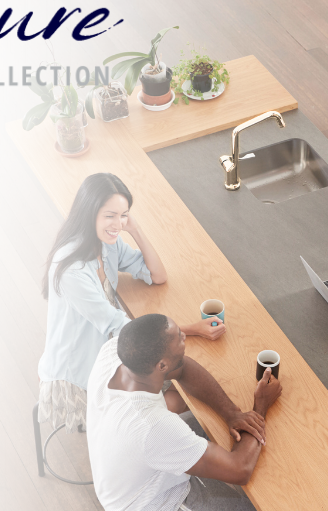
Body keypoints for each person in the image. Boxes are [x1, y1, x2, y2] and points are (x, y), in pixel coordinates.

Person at [88, 314, 283, 511]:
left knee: (208, 426)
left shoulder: (115, 352)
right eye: (178, 337)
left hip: (137, 473)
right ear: (161, 366)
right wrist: (260, 407)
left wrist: (233, 414)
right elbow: (239, 470)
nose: (184, 336)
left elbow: (185, 368)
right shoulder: (152, 425)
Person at [37, 173, 225, 431]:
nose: (118, 223)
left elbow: (157, 275)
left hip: (108, 350)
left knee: (181, 384)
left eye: (123, 214)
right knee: (175, 393)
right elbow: (121, 328)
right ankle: (139, 440)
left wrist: (134, 229)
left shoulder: (105, 243)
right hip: (79, 374)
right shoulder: (71, 268)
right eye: (110, 215)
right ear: (89, 213)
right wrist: (190, 330)